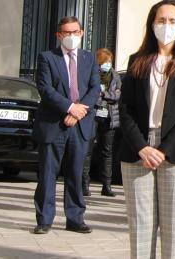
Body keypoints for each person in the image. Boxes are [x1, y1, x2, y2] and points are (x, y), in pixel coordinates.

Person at [118, 0, 175, 259]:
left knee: (174, 230)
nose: (166, 26)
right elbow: (126, 109)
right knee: (140, 228)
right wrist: (143, 147)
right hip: (139, 150)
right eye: (161, 20)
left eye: (172, 21)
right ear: (152, 23)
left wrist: (164, 150)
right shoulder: (138, 60)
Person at [33, 16, 101, 234]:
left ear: (81, 33)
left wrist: (79, 111)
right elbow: (45, 89)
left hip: (80, 126)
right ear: (59, 35)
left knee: (76, 173)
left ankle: (75, 218)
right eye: (66, 33)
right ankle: (44, 219)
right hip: (54, 123)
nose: (71, 36)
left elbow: (94, 88)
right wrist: (70, 107)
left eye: (75, 32)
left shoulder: (89, 58)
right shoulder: (47, 58)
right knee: (48, 174)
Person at [83, 47, 120, 197]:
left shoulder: (115, 76)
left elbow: (117, 95)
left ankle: (107, 186)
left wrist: (103, 93)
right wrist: (103, 96)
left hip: (110, 116)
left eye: (110, 61)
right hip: (92, 114)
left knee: (107, 151)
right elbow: (91, 94)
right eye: (105, 61)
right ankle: (84, 185)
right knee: (88, 150)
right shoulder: (91, 74)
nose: (108, 64)